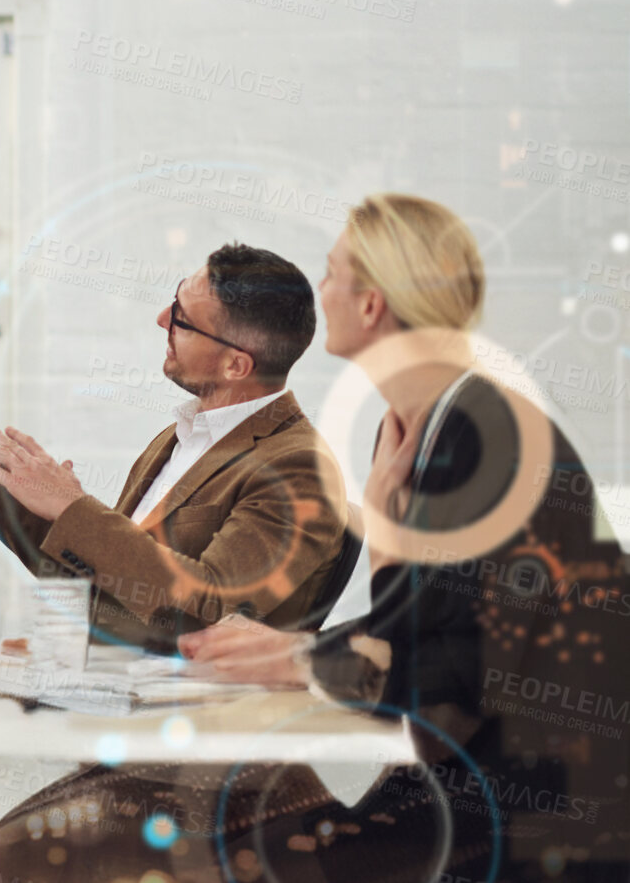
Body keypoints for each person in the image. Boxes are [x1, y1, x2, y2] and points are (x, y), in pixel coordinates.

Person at [0, 242, 353, 882]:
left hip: (202, 775)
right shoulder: (177, 440)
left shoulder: (296, 467)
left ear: (236, 361)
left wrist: (72, 506)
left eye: (182, 318)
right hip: (125, 738)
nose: (161, 321)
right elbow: (103, 588)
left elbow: (211, 606)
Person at [164, 194, 630, 883]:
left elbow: (463, 669)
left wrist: (301, 657)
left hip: (540, 820)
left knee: (230, 853)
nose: (319, 291)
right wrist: (382, 528)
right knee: (228, 829)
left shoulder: (483, 433)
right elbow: (428, 629)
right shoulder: (427, 425)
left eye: (330, 274)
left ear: (372, 304)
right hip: (483, 790)